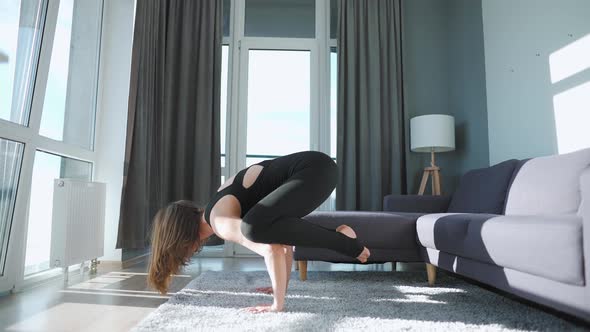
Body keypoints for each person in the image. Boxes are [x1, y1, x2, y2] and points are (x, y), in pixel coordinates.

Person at [147, 150, 370, 313]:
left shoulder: (220, 222)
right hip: (319, 169)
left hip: (314, 171)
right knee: (261, 226)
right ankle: (344, 239)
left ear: (182, 238)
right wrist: (280, 286)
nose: (188, 254)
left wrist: (277, 305)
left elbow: (271, 250)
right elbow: (282, 243)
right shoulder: (216, 208)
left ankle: (343, 241)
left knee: (253, 228)